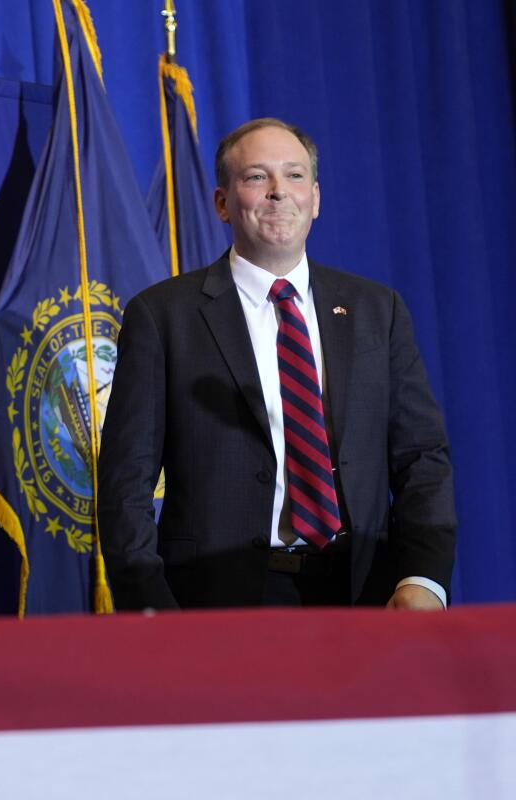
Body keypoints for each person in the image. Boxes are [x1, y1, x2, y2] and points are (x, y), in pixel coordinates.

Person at [97, 118, 456, 611]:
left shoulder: (378, 310)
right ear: (222, 202)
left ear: (316, 198)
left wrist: (423, 579)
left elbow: (422, 458)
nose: (278, 193)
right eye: (256, 177)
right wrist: (149, 604)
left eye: (293, 176)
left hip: (363, 593)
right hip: (215, 603)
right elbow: (125, 481)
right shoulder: (163, 317)